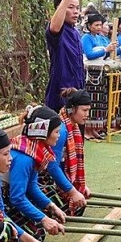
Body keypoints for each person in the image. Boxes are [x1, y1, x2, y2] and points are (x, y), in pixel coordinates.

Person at [3, 105, 78, 241]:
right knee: (36, 235)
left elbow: (31, 186)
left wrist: (51, 206)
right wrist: (44, 219)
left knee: (43, 220)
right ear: (43, 132)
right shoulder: (24, 157)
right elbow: (17, 197)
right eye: (56, 132)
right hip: (0, 198)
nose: (59, 135)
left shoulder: (33, 149)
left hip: (10, 194)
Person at [39, 88, 93, 217]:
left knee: (79, 205)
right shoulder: (62, 131)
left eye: (88, 110)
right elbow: (52, 166)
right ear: (72, 109)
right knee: (72, 207)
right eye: (84, 110)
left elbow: (63, 164)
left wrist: (79, 186)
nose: (87, 114)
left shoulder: (72, 127)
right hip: (42, 178)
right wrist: (72, 191)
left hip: (55, 175)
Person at [45, 0, 84, 112]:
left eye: (77, 8)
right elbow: (54, 27)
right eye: (70, 7)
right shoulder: (58, 31)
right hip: (60, 94)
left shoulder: (76, 32)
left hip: (77, 92)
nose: (75, 11)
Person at [81, 13, 116, 139]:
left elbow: (103, 56)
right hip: (91, 73)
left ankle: (94, 128)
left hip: (99, 72)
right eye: (96, 25)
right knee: (91, 100)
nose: (99, 27)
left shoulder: (97, 38)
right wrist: (105, 50)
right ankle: (87, 129)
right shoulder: (86, 38)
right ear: (89, 26)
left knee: (98, 102)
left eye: (100, 25)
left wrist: (110, 50)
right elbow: (89, 54)